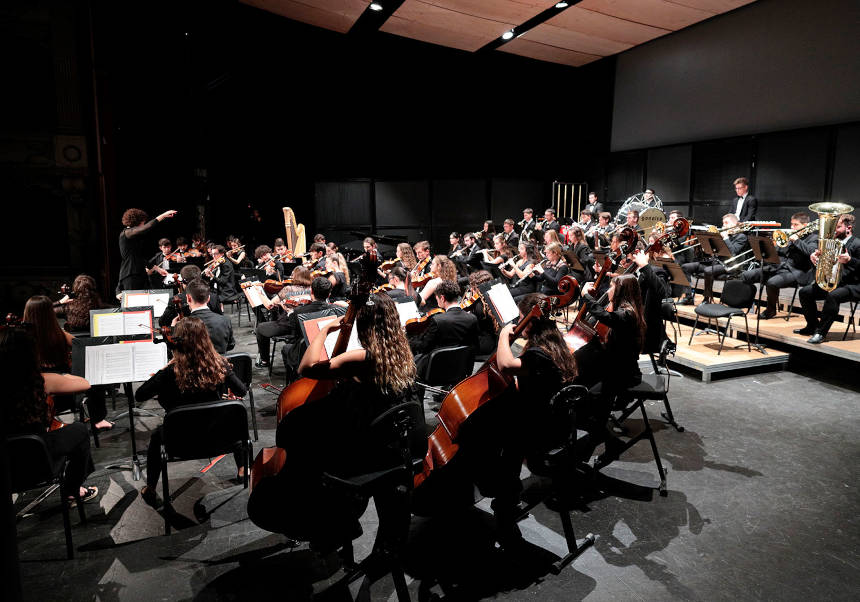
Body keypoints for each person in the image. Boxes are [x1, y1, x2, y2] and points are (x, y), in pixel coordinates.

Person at [247, 293, 419, 553]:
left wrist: (324, 330)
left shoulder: (361, 358)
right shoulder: (401, 353)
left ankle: (331, 522)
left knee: (308, 438)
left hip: (361, 450)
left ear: (365, 325)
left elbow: (307, 367)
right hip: (387, 441)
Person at [471, 292, 578, 547]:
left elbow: (506, 364)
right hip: (556, 425)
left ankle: (504, 501)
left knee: (487, 435)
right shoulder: (557, 346)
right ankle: (505, 496)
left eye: (521, 318)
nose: (519, 323)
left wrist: (503, 337)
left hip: (537, 432)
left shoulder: (538, 355)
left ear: (530, 321)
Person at [137, 317, 248, 505]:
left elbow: (140, 395)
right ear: (205, 339)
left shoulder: (169, 373)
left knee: (157, 437)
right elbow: (241, 391)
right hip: (220, 437)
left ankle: (151, 488)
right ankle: (243, 468)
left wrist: (163, 370)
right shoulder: (219, 365)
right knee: (234, 419)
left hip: (180, 441)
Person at [1, 326, 99, 504]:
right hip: (38, 463)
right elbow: (85, 384)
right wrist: (62, 375)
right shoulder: (41, 381)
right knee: (79, 430)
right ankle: (72, 488)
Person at [575, 274, 646, 463]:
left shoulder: (627, 314)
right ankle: (604, 445)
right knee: (593, 402)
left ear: (621, 291)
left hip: (624, 375)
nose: (608, 291)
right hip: (616, 369)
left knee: (586, 402)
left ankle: (606, 443)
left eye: (611, 288)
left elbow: (604, 316)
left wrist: (585, 296)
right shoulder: (626, 310)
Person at [24, 295, 112, 430]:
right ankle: (98, 419)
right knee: (95, 381)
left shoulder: (22, 337)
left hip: (35, 394)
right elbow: (80, 345)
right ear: (50, 314)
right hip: (65, 394)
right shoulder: (58, 333)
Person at [796, 213, 860, 344]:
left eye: (837, 227)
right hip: (835, 282)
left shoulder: (857, 244)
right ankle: (812, 326)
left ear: (849, 228)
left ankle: (821, 333)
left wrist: (850, 260)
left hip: (853, 285)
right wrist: (814, 256)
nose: (833, 230)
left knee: (833, 296)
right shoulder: (830, 243)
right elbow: (823, 261)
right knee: (805, 292)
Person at [741, 212, 818, 319]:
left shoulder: (813, 238)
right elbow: (778, 252)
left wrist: (797, 241)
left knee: (772, 282)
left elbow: (810, 251)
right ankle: (744, 305)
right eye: (792, 224)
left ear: (805, 226)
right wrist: (773, 246)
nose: (792, 227)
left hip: (797, 272)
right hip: (779, 267)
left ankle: (770, 310)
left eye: (795, 225)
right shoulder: (789, 236)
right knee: (746, 275)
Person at [408, 280, 479, 377]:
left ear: (442, 298)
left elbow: (424, 347)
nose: (436, 300)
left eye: (436, 298)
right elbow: (474, 346)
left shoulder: (438, 320)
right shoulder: (472, 318)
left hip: (437, 370)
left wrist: (411, 340)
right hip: (461, 367)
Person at [679, 213, 750, 304]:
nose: (723, 225)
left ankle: (707, 299)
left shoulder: (741, 237)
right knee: (685, 267)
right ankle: (688, 297)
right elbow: (713, 250)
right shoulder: (722, 235)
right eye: (723, 223)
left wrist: (725, 238)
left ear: (733, 224)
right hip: (715, 262)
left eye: (726, 223)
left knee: (708, 270)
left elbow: (732, 252)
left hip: (729, 266)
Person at [118, 208, 177, 294]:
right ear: (137, 221)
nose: (144, 224)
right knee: (134, 304)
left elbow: (139, 258)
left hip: (140, 273)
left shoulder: (133, 237)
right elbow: (147, 227)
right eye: (143, 222)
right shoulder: (126, 233)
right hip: (130, 275)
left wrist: (158, 269)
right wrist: (163, 215)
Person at [173, 279, 235, 354]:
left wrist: (174, 328)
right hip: (220, 364)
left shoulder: (183, 325)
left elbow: (178, 349)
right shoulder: (225, 320)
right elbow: (230, 345)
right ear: (208, 298)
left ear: (188, 298)